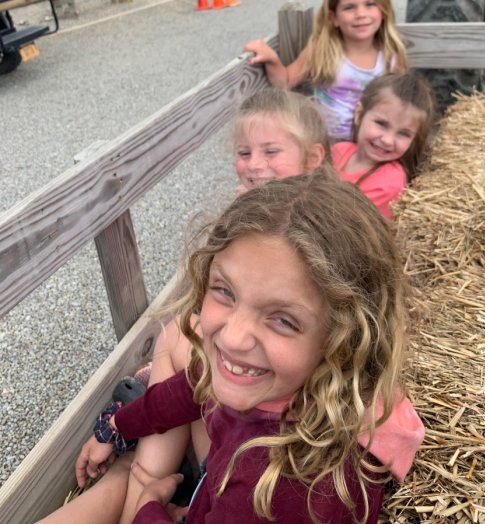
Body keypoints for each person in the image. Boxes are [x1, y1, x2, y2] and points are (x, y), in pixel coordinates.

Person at [42, 172, 422, 524]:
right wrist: (115, 426)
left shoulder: (279, 490)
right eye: (225, 291)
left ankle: (130, 476)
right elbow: (193, 385)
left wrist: (147, 509)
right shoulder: (300, 383)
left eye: (283, 319)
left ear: (345, 339)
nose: (233, 337)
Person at [245, 0, 408, 141]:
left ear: (383, 11)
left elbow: (400, 104)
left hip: (371, 146)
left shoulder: (390, 57)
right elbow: (285, 80)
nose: (361, 14)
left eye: (370, 4)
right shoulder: (322, 49)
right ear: (333, 18)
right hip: (327, 145)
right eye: (349, 8)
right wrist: (272, 59)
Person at [333, 73, 436, 219]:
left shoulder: (389, 183)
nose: (388, 140)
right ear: (359, 114)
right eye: (381, 124)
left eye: (404, 133)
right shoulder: (339, 150)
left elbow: (339, 224)